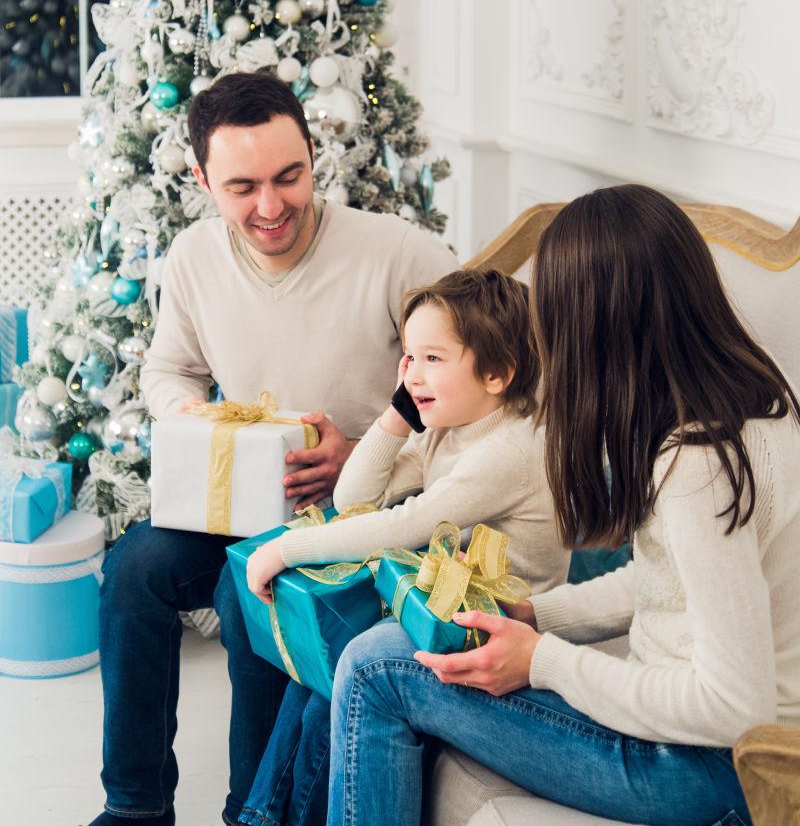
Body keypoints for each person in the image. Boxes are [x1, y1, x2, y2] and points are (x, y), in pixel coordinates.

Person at [327, 184, 800, 826]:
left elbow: (734, 710)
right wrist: (536, 615)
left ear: (594, 328)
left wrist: (543, 661)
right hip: (705, 754)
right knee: (391, 648)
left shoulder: (695, 464)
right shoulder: (760, 401)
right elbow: (673, 583)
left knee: (377, 666)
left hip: (708, 771)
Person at [86, 71, 457, 826]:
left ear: (314, 156)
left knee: (246, 592)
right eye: (242, 187)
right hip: (241, 502)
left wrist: (367, 452)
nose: (270, 206)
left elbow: (472, 393)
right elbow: (167, 368)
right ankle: (135, 806)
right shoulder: (193, 257)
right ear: (202, 181)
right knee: (131, 573)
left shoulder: (400, 255)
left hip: (361, 511)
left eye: (289, 177)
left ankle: (250, 812)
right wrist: (190, 413)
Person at [239, 268, 570, 826]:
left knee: (346, 666)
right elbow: (354, 497)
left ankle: (263, 817)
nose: (414, 374)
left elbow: (403, 525)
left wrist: (288, 550)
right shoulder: (450, 424)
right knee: (322, 671)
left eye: (433, 359)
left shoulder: (510, 449)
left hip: (496, 633)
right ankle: (260, 816)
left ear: (497, 373)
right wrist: (399, 411)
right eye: (409, 357)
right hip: (442, 609)